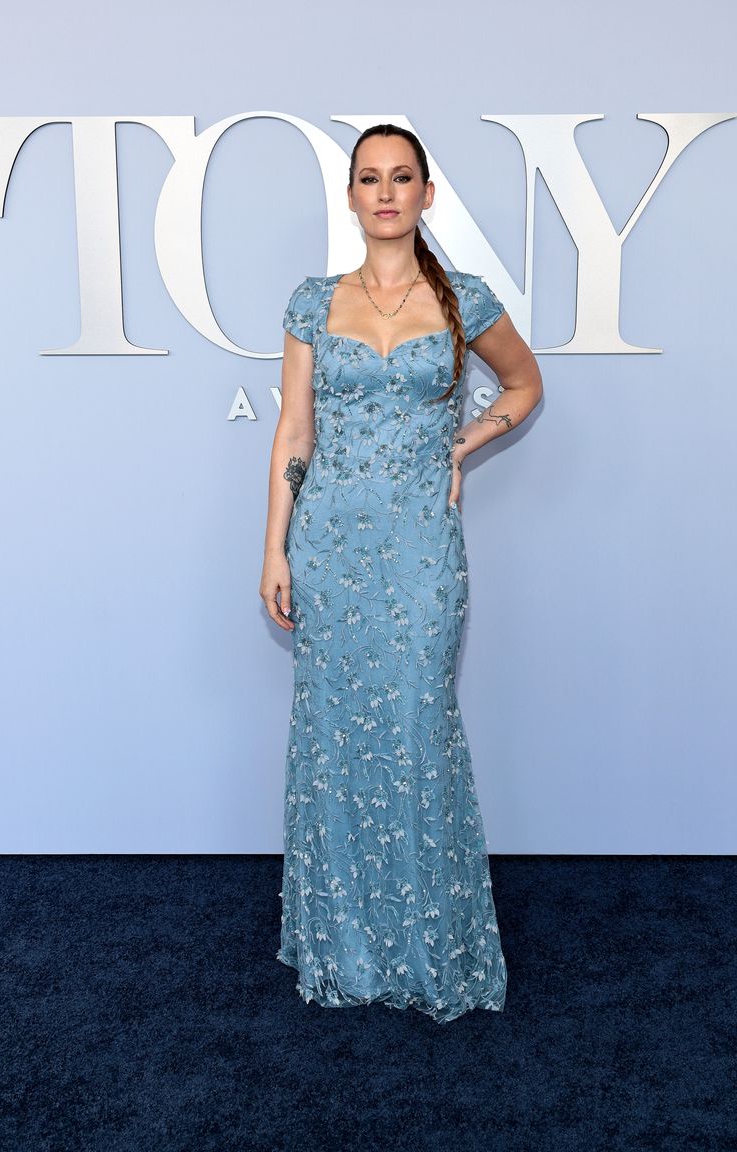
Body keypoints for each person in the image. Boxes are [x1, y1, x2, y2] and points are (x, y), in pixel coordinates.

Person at [260, 123, 543, 1022]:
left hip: (422, 552)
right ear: (350, 196)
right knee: (337, 737)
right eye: (369, 178)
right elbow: (294, 434)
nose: (386, 192)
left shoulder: (465, 298)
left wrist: (465, 438)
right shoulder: (313, 303)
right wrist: (273, 545)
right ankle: (345, 941)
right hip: (332, 547)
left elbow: (526, 385)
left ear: (427, 193)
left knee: (419, 725)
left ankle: (429, 942)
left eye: (403, 177)